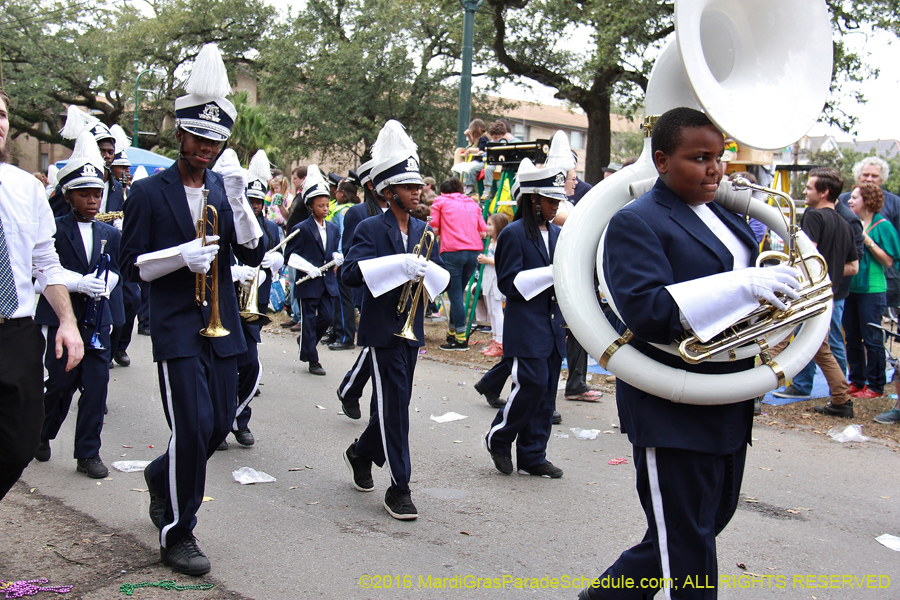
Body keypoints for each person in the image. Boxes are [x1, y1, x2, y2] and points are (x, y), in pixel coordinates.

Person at [581, 107, 803, 600]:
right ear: (661, 160)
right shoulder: (634, 222)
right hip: (671, 402)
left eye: (719, 157)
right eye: (699, 158)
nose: (715, 169)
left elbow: (744, 289)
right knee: (687, 544)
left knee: (702, 525)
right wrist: (742, 285)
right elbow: (648, 309)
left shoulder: (725, 213)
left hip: (727, 395)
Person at [119, 44, 264, 576]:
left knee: (215, 427)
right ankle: (177, 534)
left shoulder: (223, 191)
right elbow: (131, 265)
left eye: (214, 140)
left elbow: (250, 250)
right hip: (178, 326)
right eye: (197, 138)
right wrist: (180, 256)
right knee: (193, 422)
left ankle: (161, 476)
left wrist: (242, 203)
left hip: (221, 323)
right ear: (179, 135)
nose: (204, 148)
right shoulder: (148, 193)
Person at [341, 119, 448, 520]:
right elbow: (350, 272)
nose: (417, 192)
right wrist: (396, 265)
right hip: (381, 329)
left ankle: (360, 452)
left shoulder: (425, 230)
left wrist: (427, 274)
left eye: (418, 186)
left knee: (395, 402)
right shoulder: (371, 226)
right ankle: (400, 487)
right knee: (396, 410)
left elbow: (435, 276)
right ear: (389, 192)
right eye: (408, 187)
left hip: (411, 330)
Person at [0, 88, 84, 501]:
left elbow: (45, 262)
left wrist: (67, 321)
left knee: (20, 441)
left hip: (15, 331)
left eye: (1, 113)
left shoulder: (24, 188)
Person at [34, 131, 121, 479]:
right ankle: (41, 434)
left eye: (97, 194)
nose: (92, 200)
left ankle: (88, 453)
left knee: (96, 389)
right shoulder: (54, 229)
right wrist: (77, 282)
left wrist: (106, 284)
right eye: (84, 194)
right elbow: (42, 272)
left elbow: (117, 268)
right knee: (59, 386)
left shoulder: (110, 233)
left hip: (97, 321)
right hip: (63, 319)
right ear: (69, 196)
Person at [484, 137, 569, 479]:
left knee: (547, 395)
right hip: (526, 325)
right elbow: (508, 282)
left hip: (552, 327)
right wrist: (550, 274)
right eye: (550, 200)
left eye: (557, 200)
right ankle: (499, 437)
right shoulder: (514, 233)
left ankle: (534, 455)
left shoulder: (561, 234)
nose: (555, 206)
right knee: (530, 386)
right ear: (532, 199)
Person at [771, 169, 858, 416]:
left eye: (809, 188)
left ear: (824, 192)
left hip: (807, 292)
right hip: (828, 293)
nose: (805, 192)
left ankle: (752, 396)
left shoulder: (814, 217)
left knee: (777, 339)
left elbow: (806, 257)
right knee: (821, 348)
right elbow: (853, 266)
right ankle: (841, 400)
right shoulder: (845, 223)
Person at [224, 150, 284, 449]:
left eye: (260, 202)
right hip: (224, 302)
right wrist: (234, 271)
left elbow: (276, 258)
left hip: (252, 302)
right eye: (252, 201)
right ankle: (222, 423)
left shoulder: (270, 228)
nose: (256, 206)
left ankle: (239, 418)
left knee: (249, 364)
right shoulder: (224, 222)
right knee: (221, 367)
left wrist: (274, 262)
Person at [842, 183, 900, 400]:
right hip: (851, 287)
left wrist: (868, 241)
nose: (850, 201)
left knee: (872, 338)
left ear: (866, 201)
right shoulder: (852, 222)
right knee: (853, 338)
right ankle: (856, 381)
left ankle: (876, 385)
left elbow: (888, 260)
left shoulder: (883, 226)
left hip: (872, 290)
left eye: (855, 197)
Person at [336, 159, 382, 420]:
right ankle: (352, 390)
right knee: (376, 343)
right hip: (369, 287)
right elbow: (350, 256)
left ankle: (350, 389)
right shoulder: (358, 212)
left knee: (378, 345)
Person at [286, 165, 342, 376]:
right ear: (311, 206)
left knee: (327, 317)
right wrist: (308, 268)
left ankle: (306, 342)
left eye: (327, 205)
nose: (326, 209)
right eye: (321, 206)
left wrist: (337, 257)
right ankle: (312, 359)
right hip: (308, 281)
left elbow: (333, 251)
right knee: (308, 320)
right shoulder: (300, 228)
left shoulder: (334, 229)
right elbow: (289, 255)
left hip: (327, 282)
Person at [430, 176, 486, 350]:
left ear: (442, 191)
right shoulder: (472, 203)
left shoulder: (440, 201)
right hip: (474, 251)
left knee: (454, 296)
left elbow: (435, 228)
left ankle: (461, 339)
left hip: (452, 250)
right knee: (457, 294)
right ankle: (452, 334)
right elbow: (483, 232)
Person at [839, 156, 900, 311]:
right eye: (865, 175)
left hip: (880, 278)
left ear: (882, 179)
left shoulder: (894, 203)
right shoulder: (843, 200)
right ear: (858, 176)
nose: (869, 179)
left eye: (875, 176)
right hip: (847, 279)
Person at [329, 180, 360, 350]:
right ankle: (336, 332)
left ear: (344, 193)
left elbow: (343, 235)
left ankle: (346, 337)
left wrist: (339, 257)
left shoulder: (345, 210)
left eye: (338, 191)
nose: (335, 194)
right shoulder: (343, 209)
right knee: (336, 298)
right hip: (338, 257)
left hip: (341, 259)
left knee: (343, 299)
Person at [477, 213, 508, 357]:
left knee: (496, 312)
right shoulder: (491, 242)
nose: (486, 227)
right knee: (491, 311)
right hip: (489, 279)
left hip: (496, 279)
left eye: (490, 224)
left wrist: (487, 260)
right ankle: (494, 340)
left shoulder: (503, 242)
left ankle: (501, 342)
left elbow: (502, 261)